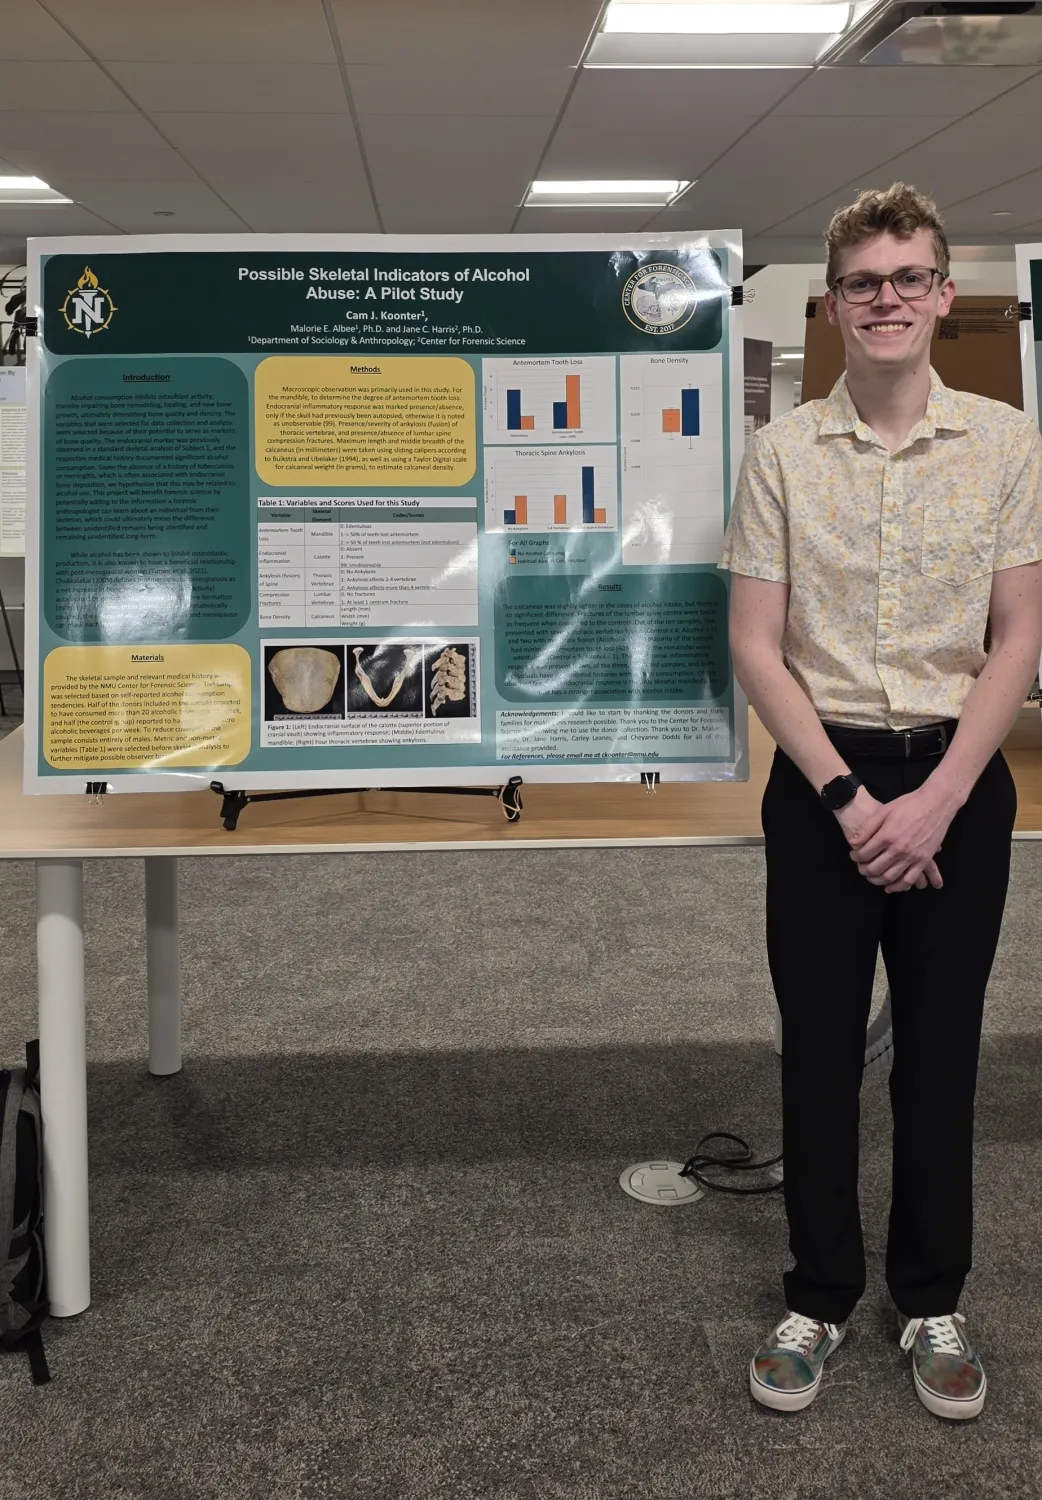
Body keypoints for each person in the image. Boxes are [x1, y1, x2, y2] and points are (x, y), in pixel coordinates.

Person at [721, 182, 1042, 1420]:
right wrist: (856, 803)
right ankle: (817, 1295)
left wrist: (936, 800)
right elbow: (758, 646)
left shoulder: (1006, 441)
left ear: (944, 296)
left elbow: (1017, 643)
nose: (888, 300)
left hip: (957, 782)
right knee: (817, 1052)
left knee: (942, 1058)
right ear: (834, 303)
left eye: (910, 278)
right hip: (823, 784)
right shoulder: (784, 451)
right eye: (864, 282)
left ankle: (930, 1297)